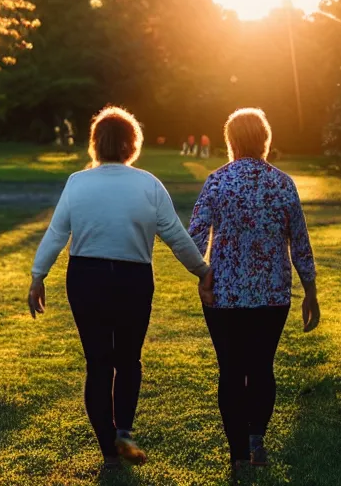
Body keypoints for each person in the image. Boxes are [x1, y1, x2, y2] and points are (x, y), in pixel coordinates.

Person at [28, 106, 213, 470]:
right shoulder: (148, 184)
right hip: (133, 280)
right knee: (128, 360)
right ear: (133, 144)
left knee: (98, 364)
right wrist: (202, 270)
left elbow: (56, 233)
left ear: (95, 143)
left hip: (86, 277)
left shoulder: (78, 182)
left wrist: (38, 275)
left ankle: (109, 452)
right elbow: (175, 235)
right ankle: (123, 431)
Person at [188, 108, 320, 471]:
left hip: (224, 296)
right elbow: (300, 243)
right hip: (271, 295)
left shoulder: (217, 181)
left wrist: (203, 275)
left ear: (230, 141)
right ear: (266, 140)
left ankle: (237, 457)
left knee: (230, 370)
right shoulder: (282, 183)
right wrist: (310, 291)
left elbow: (195, 237)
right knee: (261, 367)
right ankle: (256, 441)